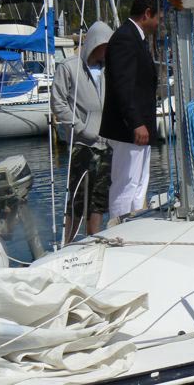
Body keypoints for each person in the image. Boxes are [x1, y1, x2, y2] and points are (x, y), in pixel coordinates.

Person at [100, 0, 161, 219]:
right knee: (126, 182)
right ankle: (120, 227)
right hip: (129, 128)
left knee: (139, 182)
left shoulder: (137, 39)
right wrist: (136, 122)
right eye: (159, 18)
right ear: (147, 14)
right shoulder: (125, 38)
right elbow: (122, 85)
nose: (160, 23)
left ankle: (134, 223)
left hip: (139, 127)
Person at [51, 21, 113, 242]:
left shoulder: (109, 69)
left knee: (100, 197)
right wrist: (79, 127)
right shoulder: (68, 67)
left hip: (106, 141)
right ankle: (68, 241)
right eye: (105, 45)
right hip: (82, 143)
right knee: (78, 196)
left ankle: (94, 237)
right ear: (95, 43)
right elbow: (58, 102)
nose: (108, 50)